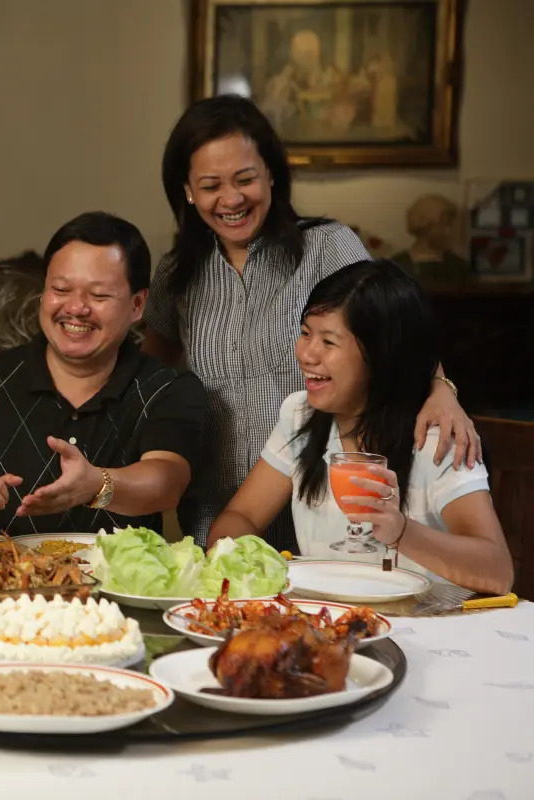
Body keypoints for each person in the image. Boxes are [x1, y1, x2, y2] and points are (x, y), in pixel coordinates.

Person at [141, 95, 477, 550]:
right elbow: (150, 373)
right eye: (210, 185)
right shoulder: (176, 274)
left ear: (272, 175)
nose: (231, 199)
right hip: (222, 514)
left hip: (324, 513)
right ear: (186, 190)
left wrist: (442, 390)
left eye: (245, 179)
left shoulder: (327, 247)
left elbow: (393, 328)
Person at [208, 260, 512, 594]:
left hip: (428, 629)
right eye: (306, 333)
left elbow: (497, 571)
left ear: (381, 355)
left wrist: (402, 532)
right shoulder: (300, 415)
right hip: (329, 624)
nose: (307, 354)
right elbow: (241, 516)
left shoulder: (437, 437)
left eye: (328, 341)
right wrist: (238, 562)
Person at [0, 211, 206, 536]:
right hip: (0, 581)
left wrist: (96, 485)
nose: (76, 308)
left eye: (99, 295)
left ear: (137, 305)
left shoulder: (168, 388)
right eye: (61, 289)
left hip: (117, 583)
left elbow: (166, 481)